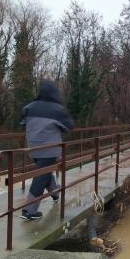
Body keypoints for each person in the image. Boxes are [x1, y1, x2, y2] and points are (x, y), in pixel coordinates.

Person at [20, 80, 74, 220]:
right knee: (41, 177)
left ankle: (55, 194)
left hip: (33, 148)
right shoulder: (58, 109)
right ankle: (29, 211)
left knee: (45, 171)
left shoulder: (28, 107)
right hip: (50, 150)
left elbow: (22, 123)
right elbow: (69, 127)